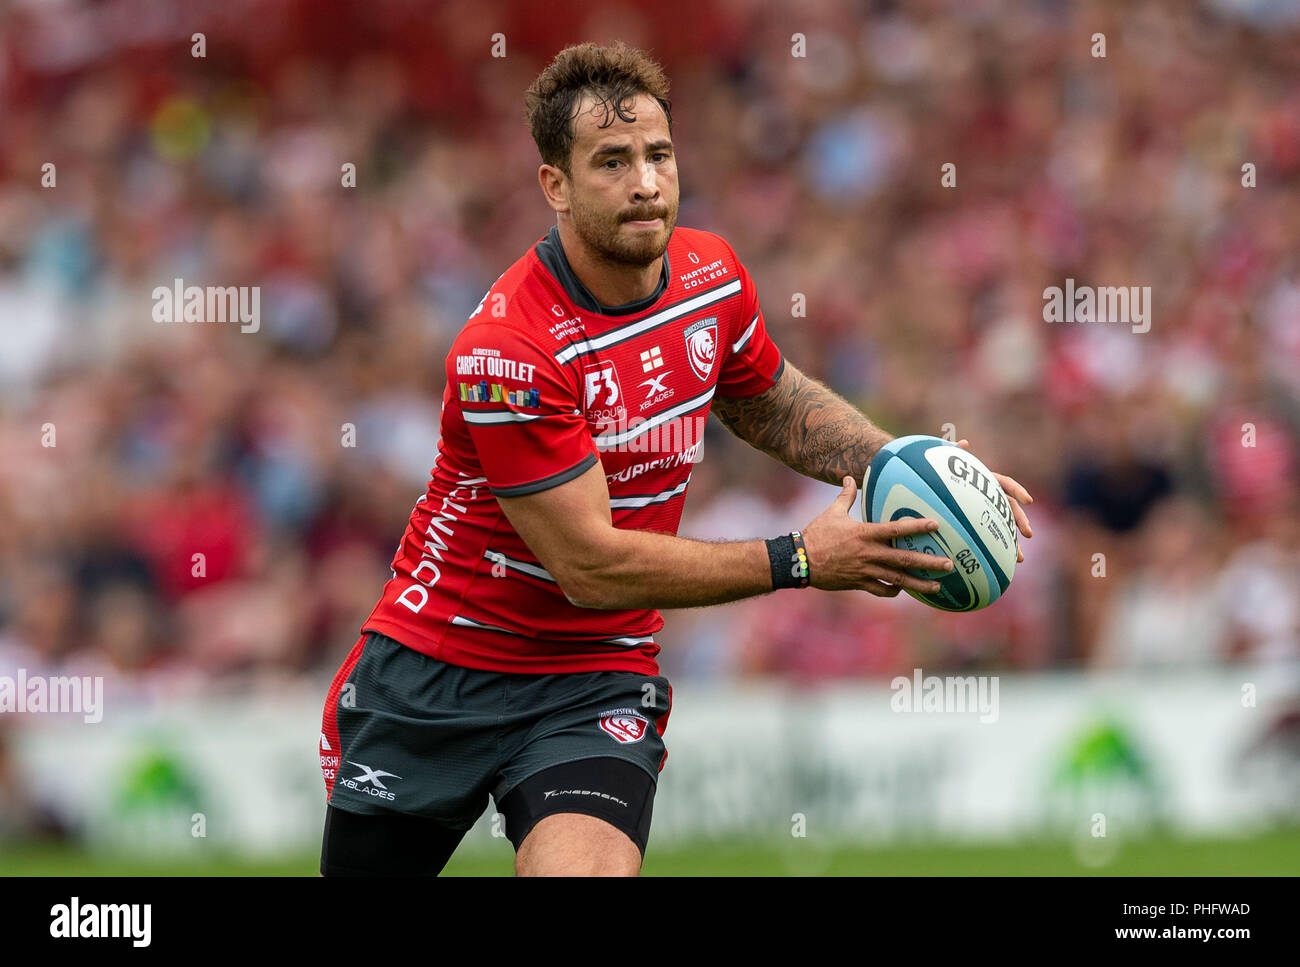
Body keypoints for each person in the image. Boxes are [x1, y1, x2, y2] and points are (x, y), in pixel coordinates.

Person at [317, 40, 1033, 877]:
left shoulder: (711, 277)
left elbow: (768, 400)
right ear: (555, 184)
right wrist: (800, 559)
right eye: (612, 162)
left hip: (592, 676)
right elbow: (589, 564)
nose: (646, 183)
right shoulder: (507, 349)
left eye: (658, 155)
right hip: (439, 671)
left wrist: (906, 466)